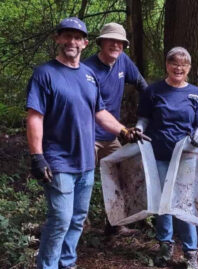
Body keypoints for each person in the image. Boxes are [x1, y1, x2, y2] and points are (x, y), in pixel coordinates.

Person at [26, 17, 148, 269]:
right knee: (60, 217)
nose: (72, 42)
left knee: (78, 218)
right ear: (59, 39)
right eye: (67, 36)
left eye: (77, 37)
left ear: (84, 42)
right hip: (58, 160)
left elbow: (99, 112)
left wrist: (124, 131)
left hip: (85, 161)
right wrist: (37, 156)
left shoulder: (88, 75)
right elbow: (35, 116)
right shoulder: (45, 73)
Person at [136, 47, 198, 269]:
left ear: (189, 68)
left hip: (185, 156)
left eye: (184, 64)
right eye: (174, 63)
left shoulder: (195, 93)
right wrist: (138, 129)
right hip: (158, 154)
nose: (179, 68)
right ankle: (165, 247)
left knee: (183, 204)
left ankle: (190, 254)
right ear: (167, 65)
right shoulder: (154, 90)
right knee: (162, 203)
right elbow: (144, 117)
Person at [83, 22, 148, 236]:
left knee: (121, 176)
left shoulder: (123, 62)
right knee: (84, 181)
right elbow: (91, 109)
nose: (115, 45)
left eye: (120, 42)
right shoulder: (87, 69)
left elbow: (142, 85)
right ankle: (79, 226)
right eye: (111, 40)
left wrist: (154, 107)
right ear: (101, 42)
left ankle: (115, 224)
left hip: (111, 136)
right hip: (88, 135)